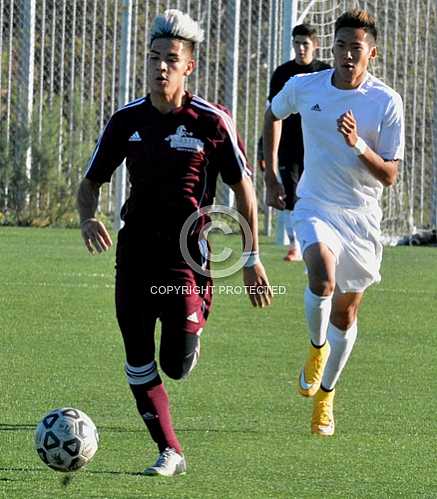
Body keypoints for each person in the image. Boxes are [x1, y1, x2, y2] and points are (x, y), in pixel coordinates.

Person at [77, 9, 271, 476]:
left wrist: (251, 257)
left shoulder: (212, 122)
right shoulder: (127, 120)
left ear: (189, 67)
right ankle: (170, 450)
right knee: (139, 358)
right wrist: (87, 218)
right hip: (136, 253)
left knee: (176, 366)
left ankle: (192, 333)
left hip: (186, 259)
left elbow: (244, 189)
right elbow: (90, 183)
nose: (160, 66)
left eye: (170, 59)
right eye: (153, 58)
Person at [263, 9, 404, 436]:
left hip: (361, 217)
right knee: (320, 276)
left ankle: (326, 395)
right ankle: (316, 348)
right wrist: (269, 173)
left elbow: (390, 175)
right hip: (315, 205)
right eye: (341, 45)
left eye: (356, 48)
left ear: (372, 53)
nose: (347, 54)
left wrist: (357, 143)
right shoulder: (306, 87)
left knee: (346, 316)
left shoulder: (386, 101)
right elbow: (273, 114)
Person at [259, 25, 330, 262]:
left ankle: (318, 240)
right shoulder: (282, 73)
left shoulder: (325, 73)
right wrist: (263, 148)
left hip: (315, 144)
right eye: (297, 43)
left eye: (305, 44)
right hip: (287, 145)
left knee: (313, 194)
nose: (300, 48)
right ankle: (295, 245)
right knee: (290, 194)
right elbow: (271, 114)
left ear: (315, 45)